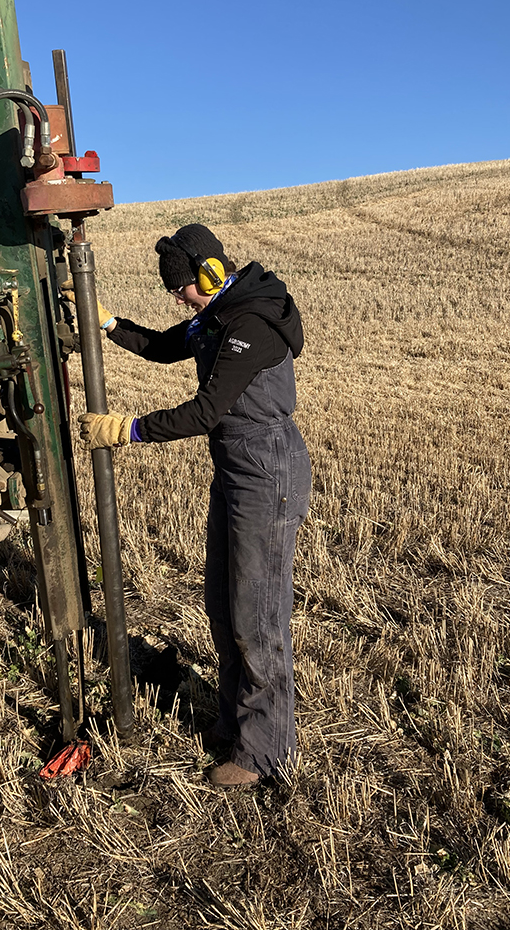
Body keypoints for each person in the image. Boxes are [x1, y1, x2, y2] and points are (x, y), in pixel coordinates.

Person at [77, 224, 311, 787]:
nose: (179, 299)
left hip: (266, 469)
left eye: (182, 288)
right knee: (224, 608)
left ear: (209, 273)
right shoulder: (216, 315)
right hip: (233, 467)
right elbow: (163, 346)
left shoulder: (251, 324)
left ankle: (262, 755)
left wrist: (129, 429)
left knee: (257, 617)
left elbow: (206, 411)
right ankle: (235, 727)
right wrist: (108, 323)